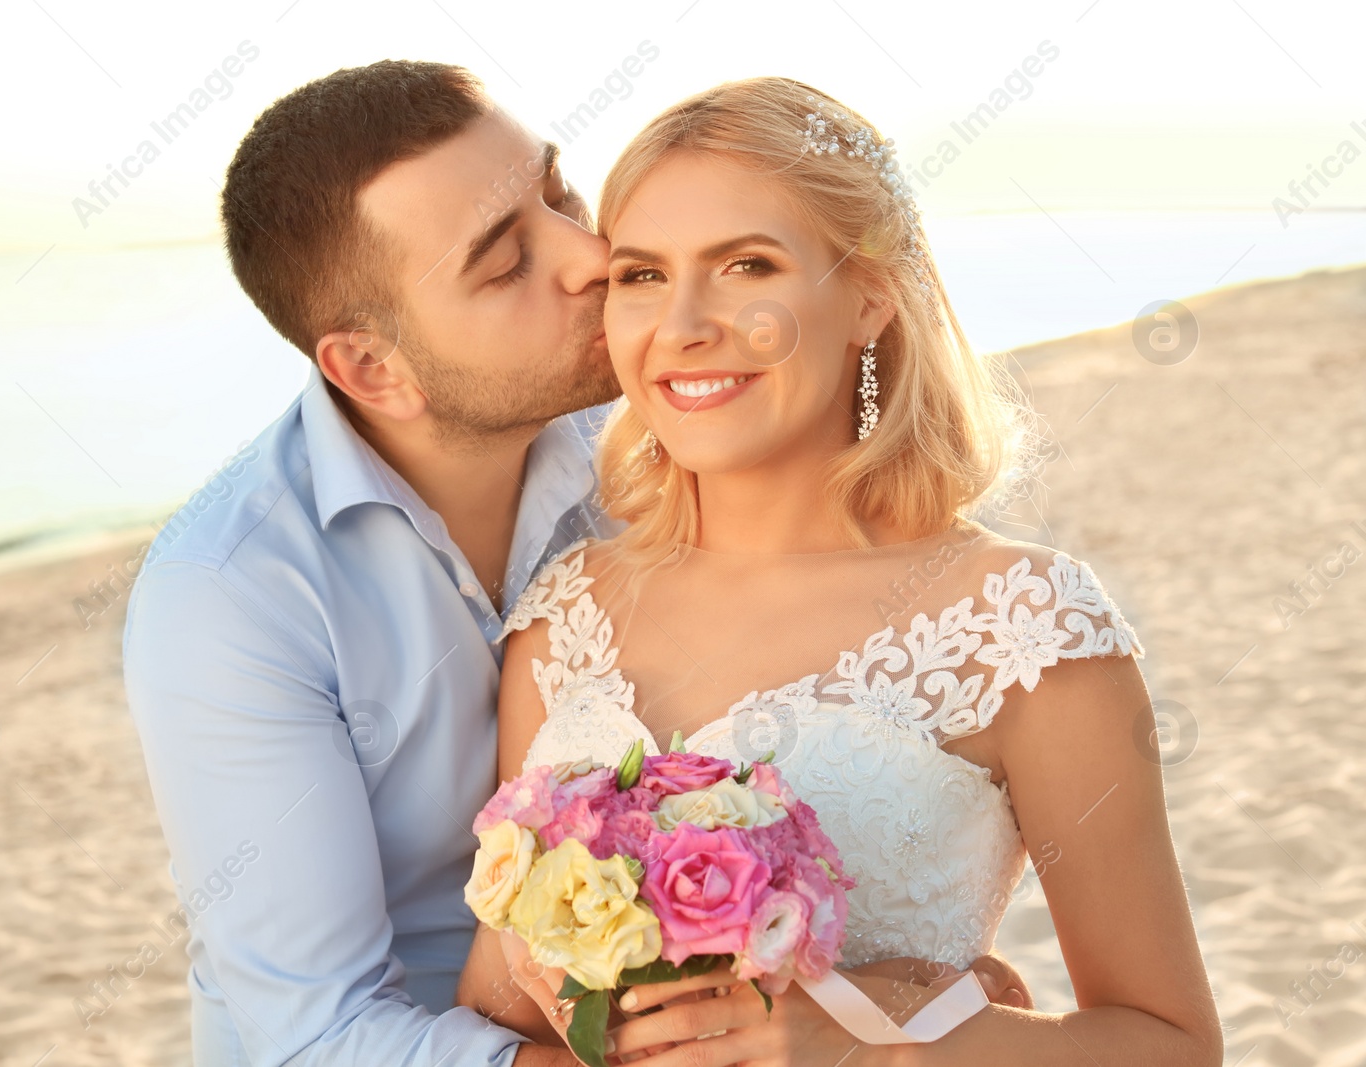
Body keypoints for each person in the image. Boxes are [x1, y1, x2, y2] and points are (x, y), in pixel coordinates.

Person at [125, 61, 1027, 1067]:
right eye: (506, 262)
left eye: (557, 192)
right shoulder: (231, 591)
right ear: (374, 368)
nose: (591, 257)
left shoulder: (655, 440)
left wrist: (930, 1006)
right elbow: (316, 1035)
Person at [459, 78, 1222, 1066]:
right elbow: (497, 1004)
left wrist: (875, 1037)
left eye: (746, 265)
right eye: (642, 275)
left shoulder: (1022, 623)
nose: (683, 324)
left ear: (868, 294)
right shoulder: (562, 615)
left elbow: (1170, 1043)